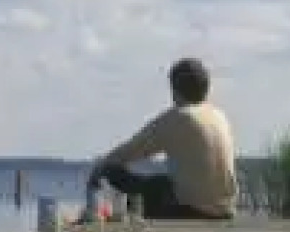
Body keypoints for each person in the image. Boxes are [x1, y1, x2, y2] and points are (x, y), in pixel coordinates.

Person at [83, 57, 238, 221]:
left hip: (189, 210)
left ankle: (96, 213)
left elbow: (128, 152)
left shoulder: (177, 117)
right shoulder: (220, 116)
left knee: (109, 172)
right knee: (161, 182)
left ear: (175, 90)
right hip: (225, 209)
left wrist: (100, 166)